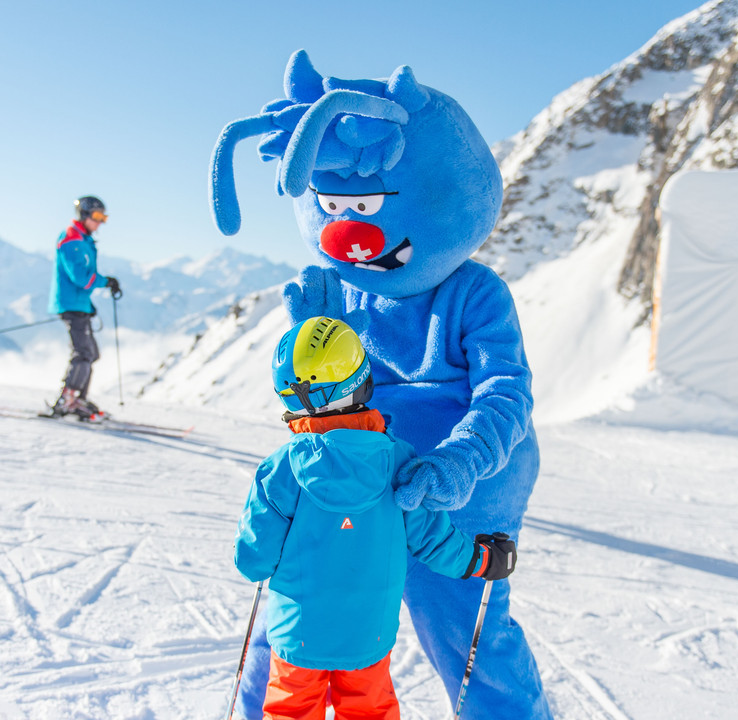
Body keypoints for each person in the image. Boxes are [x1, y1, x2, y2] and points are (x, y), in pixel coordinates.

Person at [211, 51, 551, 719]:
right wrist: (314, 337)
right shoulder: (338, 288)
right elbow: (319, 386)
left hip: (452, 490)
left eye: (363, 205)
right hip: (353, 480)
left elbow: (505, 393)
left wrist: (460, 465)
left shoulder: (475, 294)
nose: (347, 228)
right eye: (332, 205)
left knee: (462, 631)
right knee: (295, 622)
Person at [234, 316, 517, 720]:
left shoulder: (279, 472)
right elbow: (435, 543)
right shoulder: (400, 464)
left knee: (292, 711)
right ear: (361, 379)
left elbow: (253, 561)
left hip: (297, 639)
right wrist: (484, 560)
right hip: (368, 638)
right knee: (369, 712)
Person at [48, 195, 121, 422]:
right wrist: (105, 281)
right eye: (98, 216)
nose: (101, 222)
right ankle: (68, 399)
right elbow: (81, 278)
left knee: (91, 353)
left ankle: (77, 398)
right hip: (70, 304)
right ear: (85, 214)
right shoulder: (72, 239)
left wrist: (88, 305)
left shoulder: (83, 240)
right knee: (84, 353)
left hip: (78, 304)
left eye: (104, 217)